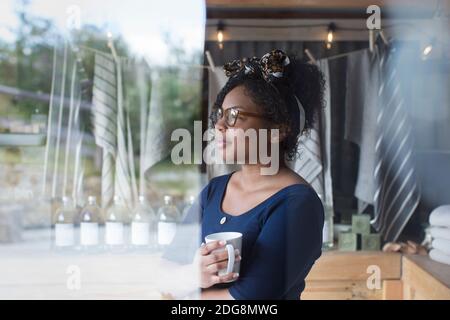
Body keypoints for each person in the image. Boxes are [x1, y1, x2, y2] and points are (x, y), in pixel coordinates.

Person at [163, 49, 325, 300]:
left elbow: (250, 300)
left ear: (279, 129)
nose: (219, 125)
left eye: (234, 116)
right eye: (219, 115)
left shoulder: (297, 204)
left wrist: (182, 290)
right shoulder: (214, 191)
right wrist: (193, 275)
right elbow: (165, 272)